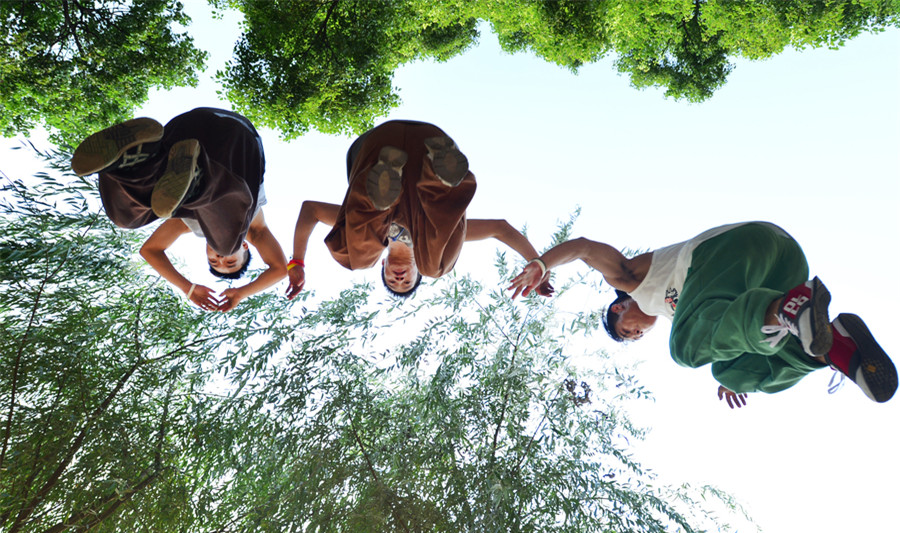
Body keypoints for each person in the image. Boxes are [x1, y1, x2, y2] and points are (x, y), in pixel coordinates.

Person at [508, 221, 896, 405]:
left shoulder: (631, 282)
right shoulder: (694, 312)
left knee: (684, 350)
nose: (636, 334)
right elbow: (720, 337)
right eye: (633, 338)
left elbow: (584, 247)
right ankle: (835, 348)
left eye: (626, 331)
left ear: (618, 308)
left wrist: (541, 265)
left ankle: (785, 311)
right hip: (785, 266)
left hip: (740, 246)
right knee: (732, 372)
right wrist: (734, 372)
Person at [286, 120, 552, 299]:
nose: (399, 279)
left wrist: (297, 260)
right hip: (429, 143)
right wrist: (540, 264)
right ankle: (440, 178)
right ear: (414, 274)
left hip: (379, 147)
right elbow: (499, 229)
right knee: (436, 268)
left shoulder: (365, 243)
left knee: (355, 259)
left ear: (385, 265)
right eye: (406, 282)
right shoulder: (440, 243)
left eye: (391, 281)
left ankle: (383, 187)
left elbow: (311, 210)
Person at [71, 107, 287, 311]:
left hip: (182, 132)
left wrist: (188, 288)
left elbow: (149, 250)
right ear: (246, 247)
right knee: (225, 239)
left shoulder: (187, 225)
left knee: (126, 219)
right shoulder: (257, 229)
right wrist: (240, 293)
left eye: (213, 260)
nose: (221, 257)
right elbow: (279, 269)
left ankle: (132, 162)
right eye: (231, 261)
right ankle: (199, 181)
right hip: (236, 140)